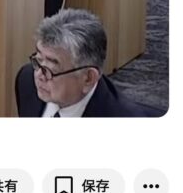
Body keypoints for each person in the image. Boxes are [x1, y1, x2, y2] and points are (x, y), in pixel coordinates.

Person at [16, 9, 147, 117]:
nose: (39, 75)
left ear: (88, 78)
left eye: (51, 69)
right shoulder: (26, 80)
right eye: (39, 60)